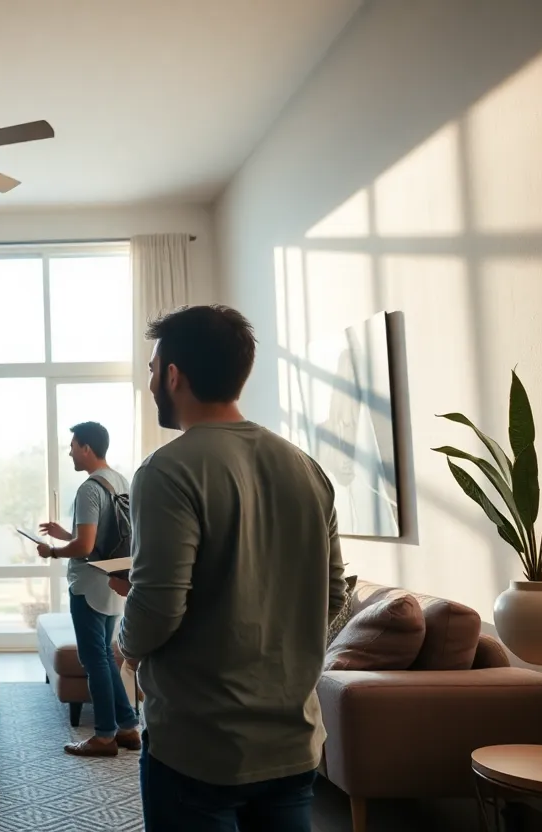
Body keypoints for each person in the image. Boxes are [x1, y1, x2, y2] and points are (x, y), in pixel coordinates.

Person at [114, 305, 345, 832]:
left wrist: (124, 645)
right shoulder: (307, 468)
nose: (150, 382)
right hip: (293, 738)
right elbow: (332, 596)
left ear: (173, 375)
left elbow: (157, 608)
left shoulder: (164, 471)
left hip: (199, 746)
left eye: (152, 369)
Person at [36, 421, 140, 757]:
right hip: (113, 580)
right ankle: (127, 727)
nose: (69, 451)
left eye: (72, 445)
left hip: (89, 585)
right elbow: (99, 541)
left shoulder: (89, 489)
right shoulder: (120, 481)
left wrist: (53, 550)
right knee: (105, 656)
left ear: (86, 448)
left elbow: (84, 547)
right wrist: (65, 534)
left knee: (92, 658)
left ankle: (104, 736)